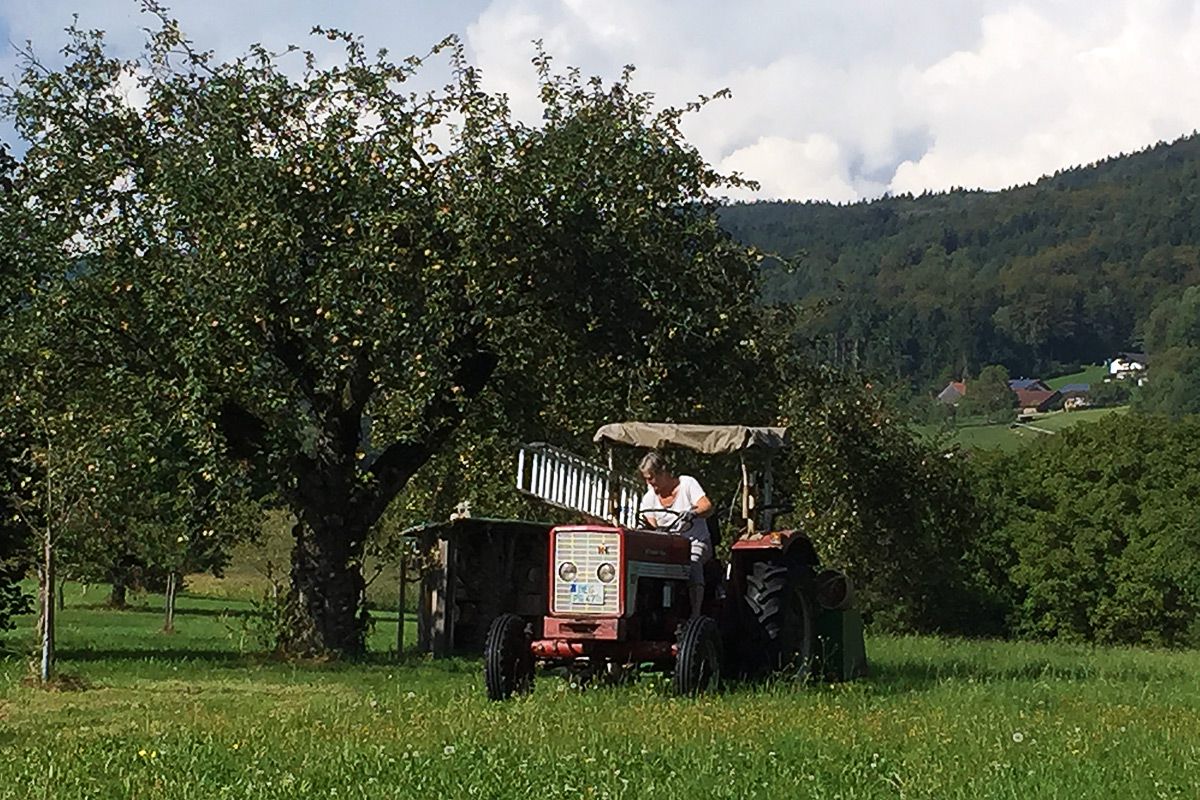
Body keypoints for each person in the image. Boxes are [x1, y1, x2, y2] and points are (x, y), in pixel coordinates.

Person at [639, 451, 713, 620]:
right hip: (667, 547)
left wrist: (693, 513)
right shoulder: (649, 498)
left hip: (694, 542)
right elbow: (650, 524)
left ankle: (695, 615)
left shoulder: (687, 484)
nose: (648, 482)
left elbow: (707, 506)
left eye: (651, 478)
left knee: (693, 563)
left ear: (663, 472)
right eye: (646, 479)